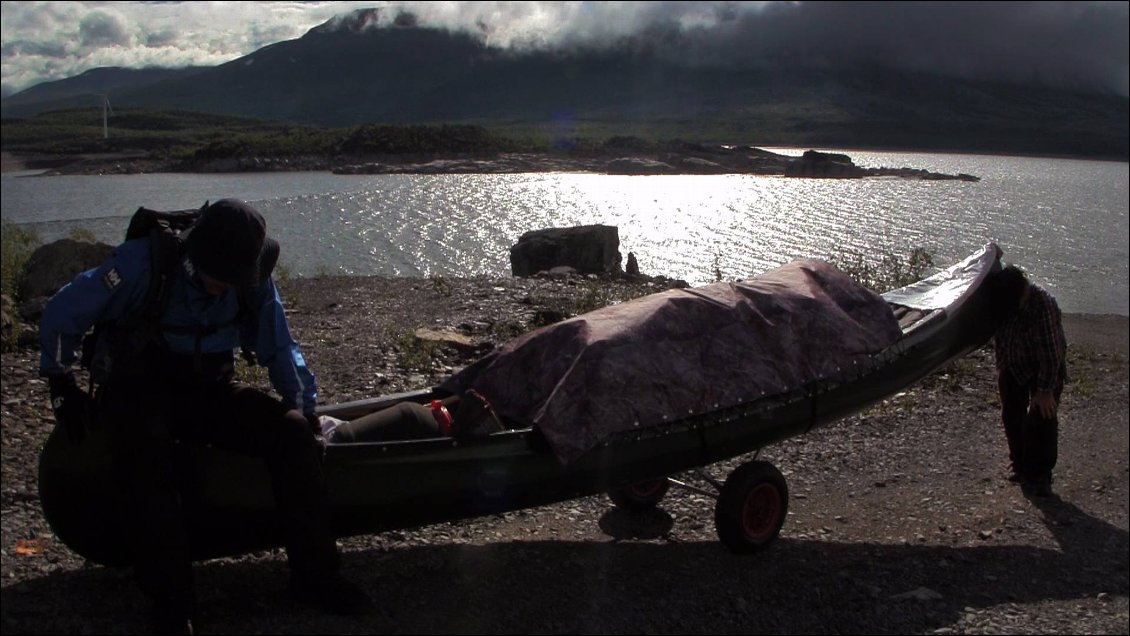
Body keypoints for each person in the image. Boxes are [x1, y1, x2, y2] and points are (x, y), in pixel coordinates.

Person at [39, 199, 371, 633]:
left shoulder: (249, 276)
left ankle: (316, 576)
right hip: (137, 390)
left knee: (291, 435)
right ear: (195, 257)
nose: (228, 287)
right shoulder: (142, 265)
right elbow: (63, 312)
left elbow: (279, 345)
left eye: (236, 279)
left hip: (205, 389)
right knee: (147, 461)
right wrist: (61, 384)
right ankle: (172, 604)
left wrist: (303, 408)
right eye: (220, 277)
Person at [990, 264, 1067, 497]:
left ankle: (1040, 474)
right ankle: (1020, 464)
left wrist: (1045, 390)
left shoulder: (1042, 305)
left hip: (1043, 365)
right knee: (1011, 414)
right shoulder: (1002, 300)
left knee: (1042, 416)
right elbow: (1000, 336)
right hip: (1013, 362)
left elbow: (1052, 354)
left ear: (1023, 291)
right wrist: (1003, 367)